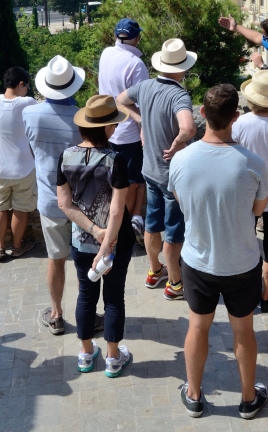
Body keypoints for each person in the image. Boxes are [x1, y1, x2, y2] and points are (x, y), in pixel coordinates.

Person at [169, 84, 268, 419]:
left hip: (198, 261)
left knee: (198, 326)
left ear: (202, 114)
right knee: (243, 329)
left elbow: (183, 205)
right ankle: (247, 398)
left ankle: (195, 395)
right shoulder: (253, 163)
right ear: (235, 118)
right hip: (242, 261)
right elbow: (258, 210)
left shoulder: (181, 160)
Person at [56, 95, 136, 376]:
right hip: (116, 242)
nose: (115, 129)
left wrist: (93, 232)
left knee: (85, 296)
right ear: (106, 128)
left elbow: (64, 204)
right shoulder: (116, 159)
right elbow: (116, 211)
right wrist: (107, 242)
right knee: (114, 298)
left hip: (81, 241)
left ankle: (86, 354)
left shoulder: (65, 156)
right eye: (113, 124)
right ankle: (113, 359)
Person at [117, 38, 197, 301]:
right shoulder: (178, 95)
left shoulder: (146, 86)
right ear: (182, 67)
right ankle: (175, 283)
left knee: (152, 224)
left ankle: (154, 271)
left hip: (149, 169)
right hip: (173, 176)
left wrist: (140, 121)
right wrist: (177, 143)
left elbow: (119, 100)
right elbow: (188, 128)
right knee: (174, 231)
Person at [23, 56, 86, 335]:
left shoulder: (30, 114)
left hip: (49, 200)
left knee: (55, 258)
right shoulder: (82, 119)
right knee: (86, 260)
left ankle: (57, 314)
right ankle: (88, 313)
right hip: (82, 201)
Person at [233, 69, 268, 312]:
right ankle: (266, 295)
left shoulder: (241, 124)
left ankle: (246, 291)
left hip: (247, 195)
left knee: (245, 244)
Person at [98, 18, 150, 238]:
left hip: (108, 127)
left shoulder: (106, 54)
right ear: (136, 38)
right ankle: (126, 226)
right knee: (129, 182)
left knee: (118, 180)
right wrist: (142, 125)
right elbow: (142, 101)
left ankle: (130, 219)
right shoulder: (136, 65)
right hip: (128, 132)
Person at [0, 67, 38, 263]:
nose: (28, 90)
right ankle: (17, 248)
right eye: (27, 86)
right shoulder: (28, 103)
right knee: (21, 208)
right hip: (23, 167)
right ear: (21, 84)